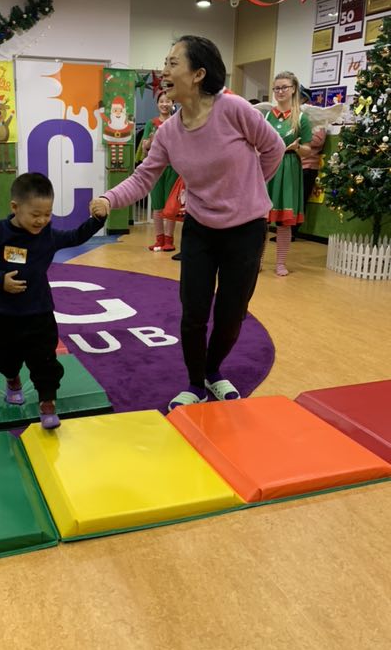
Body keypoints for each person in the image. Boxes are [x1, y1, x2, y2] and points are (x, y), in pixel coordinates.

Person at [90, 36, 285, 409]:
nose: (164, 71)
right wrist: (108, 198)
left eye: (173, 63)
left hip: (246, 229)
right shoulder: (168, 132)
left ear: (198, 74)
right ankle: (196, 383)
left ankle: (214, 372)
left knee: (231, 314)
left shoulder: (234, 109)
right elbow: (143, 177)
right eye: (165, 62)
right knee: (193, 312)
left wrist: (250, 189)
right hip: (199, 228)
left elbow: (273, 147)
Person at [0, 172, 105, 429]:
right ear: (15, 207)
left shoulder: (48, 236)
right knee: (6, 359)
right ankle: (12, 380)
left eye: (48, 214)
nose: (42, 220)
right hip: (3, 313)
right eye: (35, 215)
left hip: (39, 312)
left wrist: (97, 220)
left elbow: (76, 236)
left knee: (44, 360)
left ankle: (47, 403)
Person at [264, 72, 313, 275]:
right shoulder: (267, 115)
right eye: (276, 88)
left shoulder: (301, 117)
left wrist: (296, 148)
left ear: (293, 89)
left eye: (284, 87)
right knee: (261, 221)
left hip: (290, 168)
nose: (280, 92)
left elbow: (308, 149)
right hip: (268, 168)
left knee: (284, 221)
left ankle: (281, 263)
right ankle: (256, 262)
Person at [138, 90, 178, 252]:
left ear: (173, 104)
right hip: (156, 168)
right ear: (157, 104)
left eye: (168, 101)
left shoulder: (177, 122)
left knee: (171, 206)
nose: (164, 104)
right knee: (157, 205)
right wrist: (152, 140)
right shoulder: (151, 123)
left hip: (174, 168)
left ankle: (169, 240)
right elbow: (145, 146)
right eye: (162, 101)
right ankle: (159, 239)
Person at [293, 85, 326, 240]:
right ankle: (286, 232)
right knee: (290, 199)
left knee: (300, 200)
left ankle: (293, 231)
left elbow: (319, 140)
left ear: (305, 98)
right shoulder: (295, 114)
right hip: (294, 164)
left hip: (308, 166)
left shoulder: (315, 115)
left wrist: (301, 135)